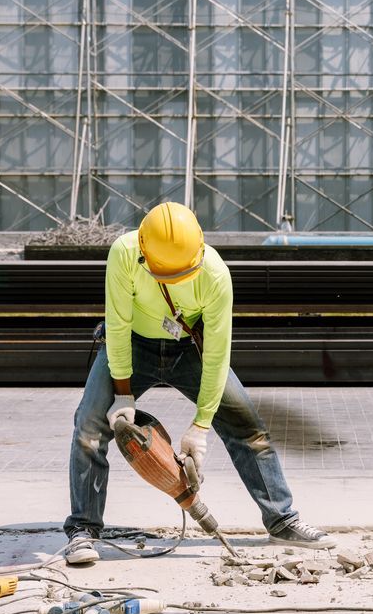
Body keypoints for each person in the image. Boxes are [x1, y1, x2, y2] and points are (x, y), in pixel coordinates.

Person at [63, 202, 335, 564]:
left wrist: (201, 426)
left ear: (200, 252)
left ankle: (282, 519)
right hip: (131, 345)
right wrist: (123, 394)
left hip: (189, 349)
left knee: (248, 429)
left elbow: (218, 356)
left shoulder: (216, 275)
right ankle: (83, 530)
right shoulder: (125, 253)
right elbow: (117, 326)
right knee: (89, 427)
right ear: (144, 253)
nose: (172, 282)